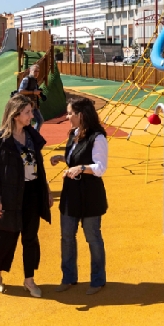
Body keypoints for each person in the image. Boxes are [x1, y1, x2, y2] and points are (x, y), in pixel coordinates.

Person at [0, 95, 53, 298]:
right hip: (10, 194)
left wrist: (46, 190)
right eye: (28, 112)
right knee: (6, 235)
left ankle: (29, 279)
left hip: (32, 192)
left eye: (31, 111)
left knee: (30, 237)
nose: (32, 115)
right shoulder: (0, 140)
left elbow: (38, 166)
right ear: (15, 115)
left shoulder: (32, 136)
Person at [50, 97, 109, 295]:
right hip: (71, 194)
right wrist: (63, 159)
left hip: (90, 194)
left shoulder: (98, 137)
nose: (67, 117)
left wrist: (81, 168)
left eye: (70, 113)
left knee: (92, 237)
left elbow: (100, 168)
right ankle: (68, 277)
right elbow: (75, 158)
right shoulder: (74, 134)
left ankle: (98, 280)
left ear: (81, 115)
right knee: (67, 236)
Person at [18, 64, 46, 131]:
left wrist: (38, 94)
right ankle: (29, 137)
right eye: (35, 71)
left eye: (38, 71)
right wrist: (33, 92)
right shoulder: (26, 79)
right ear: (30, 71)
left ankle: (34, 135)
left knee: (40, 120)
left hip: (34, 105)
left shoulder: (35, 80)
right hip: (27, 105)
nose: (37, 73)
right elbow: (20, 91)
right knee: (28, 123)